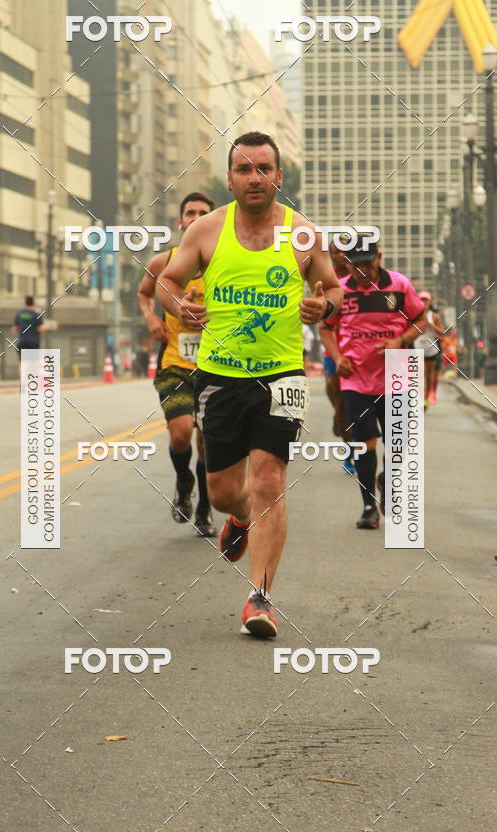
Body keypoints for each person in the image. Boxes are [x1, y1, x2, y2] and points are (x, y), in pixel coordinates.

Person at [157, 131, 342, 638]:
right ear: (230, 178)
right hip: (219, 376)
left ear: (279, 176)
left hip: (282, 374)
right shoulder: (206, 232)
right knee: (222, 493)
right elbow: (165, 282)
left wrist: (322, 305)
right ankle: (240, 520)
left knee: (269, 483)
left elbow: (334, 289)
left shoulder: (302, 234)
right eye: (245, 169)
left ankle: (260, 598)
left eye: (264, 169)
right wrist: (180, 307)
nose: (255, 178)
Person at [321, 239, 426, 529]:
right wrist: (337, 355)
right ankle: (369, 507)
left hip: (396, 377)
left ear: (379, 257)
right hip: (356, 379)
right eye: (356, 265)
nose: (362, 270)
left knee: (398, 445)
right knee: (365, 445)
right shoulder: (340, 290)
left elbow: (420, 321)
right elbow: (326, 328)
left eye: (368, 263)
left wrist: (400, 340)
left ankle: (386, 480)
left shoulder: (400, 285)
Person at [137, 191, 217, 538]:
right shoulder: (163, 262)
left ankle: (203, 510)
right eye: (190, 212)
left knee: (207, 443)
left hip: (216, 365)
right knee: (182, 432)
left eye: (203, 213)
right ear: (180, 221)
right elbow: (143, 293)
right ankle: (184, 482)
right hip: (175, 364)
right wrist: (151, 319)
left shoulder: (223, 262)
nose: (196, 217)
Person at [321, 241, 356, 474]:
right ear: (330, 255)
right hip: (332, 349)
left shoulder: (361, 277)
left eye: (346, 251)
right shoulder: (325, 280)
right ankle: (350, 449)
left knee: (352, 401)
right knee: (339, 402)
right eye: (336, 252)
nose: (341, 255)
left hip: (356, 350)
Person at [413, 290, 445, 408]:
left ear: (430, 302)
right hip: (417, 348)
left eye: (426, 300)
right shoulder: (414, 315)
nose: (423, 302)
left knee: (429, 375)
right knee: (417, 375)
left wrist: (430, 325)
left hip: (431, 349)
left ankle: (426, 398)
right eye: (421, 299)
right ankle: (418, 398)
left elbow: (442, 332)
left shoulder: (434, 316)